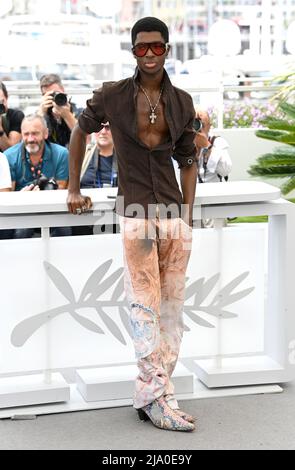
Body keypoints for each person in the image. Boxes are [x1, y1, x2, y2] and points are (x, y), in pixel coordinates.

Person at [67, 17, 197, 432]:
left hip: (175, 214)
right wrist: (73, 187)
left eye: (157, 47)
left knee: (171, 312)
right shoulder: (112, 96)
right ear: (133, 51)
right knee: (144, 308)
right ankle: (157, 398)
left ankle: (154, 393)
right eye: (142, 48)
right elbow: (79, 134)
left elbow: (188, 158)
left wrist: (189, 213)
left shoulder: (182, 102)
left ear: (168, 49)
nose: (150, 55)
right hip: (137, 213)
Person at [4, 114, 70, 238]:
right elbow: (8, 196)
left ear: (46, 134)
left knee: (64, 229)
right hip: (20, 211)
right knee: (23, 230)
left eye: (35, 133)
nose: (30, 139)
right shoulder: (9, 156)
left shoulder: (61, 154)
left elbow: (61, 190)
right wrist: (21, 197)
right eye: (26, 134)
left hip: (52, 209)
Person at [72, 121, 118, 236]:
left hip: (116, 216)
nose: (103, 132)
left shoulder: (126, 159)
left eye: (108, 128)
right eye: (99, 127)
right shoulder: (82, 154)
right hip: (86, 216)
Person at [195, 109, 232, 228]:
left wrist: (207, 146)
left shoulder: (218, 142)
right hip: (191, 203)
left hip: (214, 202)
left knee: (217, 242)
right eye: (194, 123)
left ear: (210, 126)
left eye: (203, 124)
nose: (198, 128)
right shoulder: (181, 143)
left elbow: (225, 170)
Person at [38, 74, 79, 148]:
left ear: (63, 90)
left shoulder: (77, 111)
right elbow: (33, 137)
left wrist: (67, 115)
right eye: (50, 95)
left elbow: (84, 136)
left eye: (56, 93)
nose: (55, 98)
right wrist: (41, 114)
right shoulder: (41, 114)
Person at [0, 81, 24, 152]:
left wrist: (0, 130)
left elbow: (12, 151)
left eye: (2, 102)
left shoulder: (16, 116)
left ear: (7, 98)